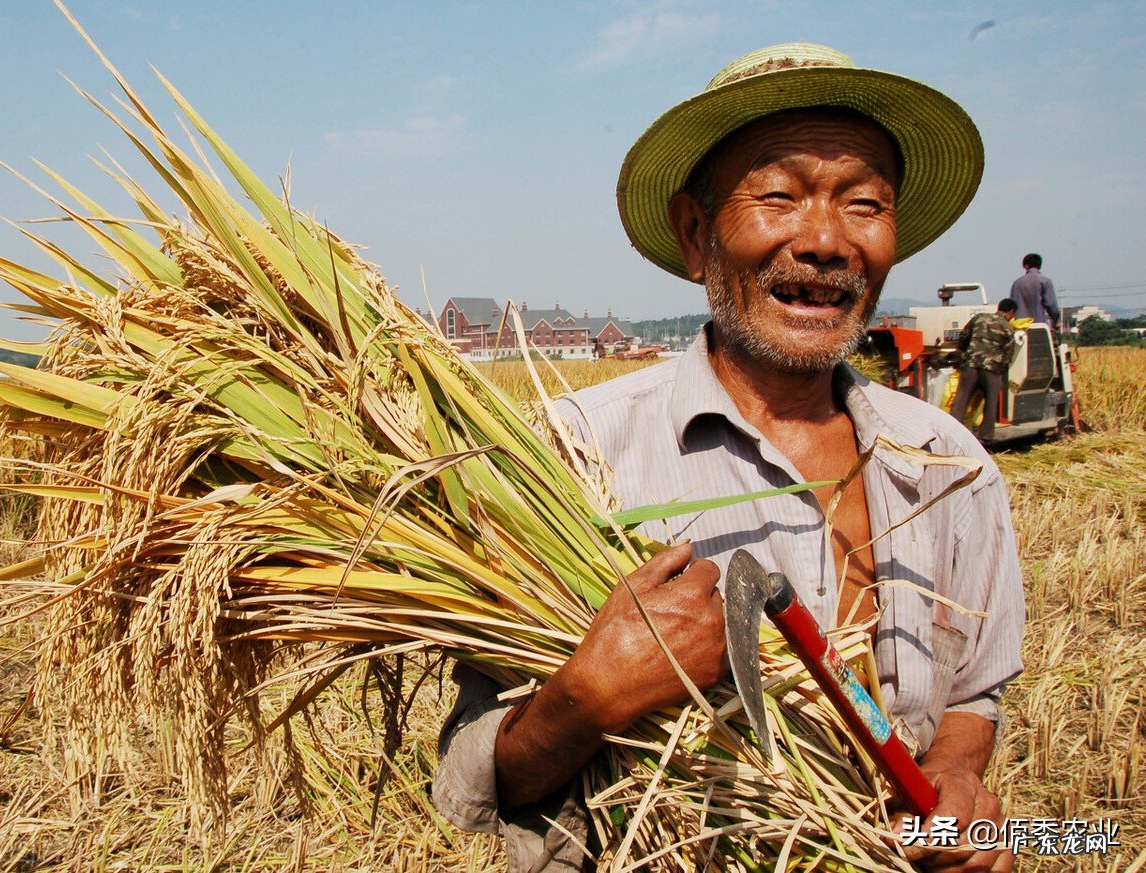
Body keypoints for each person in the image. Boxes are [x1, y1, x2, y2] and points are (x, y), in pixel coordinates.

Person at [434, 43, 1024, 872]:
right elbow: (474, 775)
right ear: (695, 234)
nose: (825, 240)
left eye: (864, 203)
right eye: (778, 195)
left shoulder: (948, 465)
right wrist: (586, 697)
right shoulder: (572, 456)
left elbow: (973, 694)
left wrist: (955, 776)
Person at [950, 299, 1018, 446]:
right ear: (1011, 312)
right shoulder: (1007, 327)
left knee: (961, 399)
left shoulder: (979, 318)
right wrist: (1000, 370)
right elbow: (1008, 353)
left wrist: (964, 352)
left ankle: (951, 432)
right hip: (991, 369)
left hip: (971, 365)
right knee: (991, 402)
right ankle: (985, 436)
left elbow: (963, 336)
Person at [1010, 253, 1060, 331]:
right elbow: (1051, 304)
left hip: (1020, 328)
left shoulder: (1016, 283)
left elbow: (1011, 307)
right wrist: (1056, 321)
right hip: (1039, 326)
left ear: (1025, 266)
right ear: (1040, 266)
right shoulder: (1045, 281)